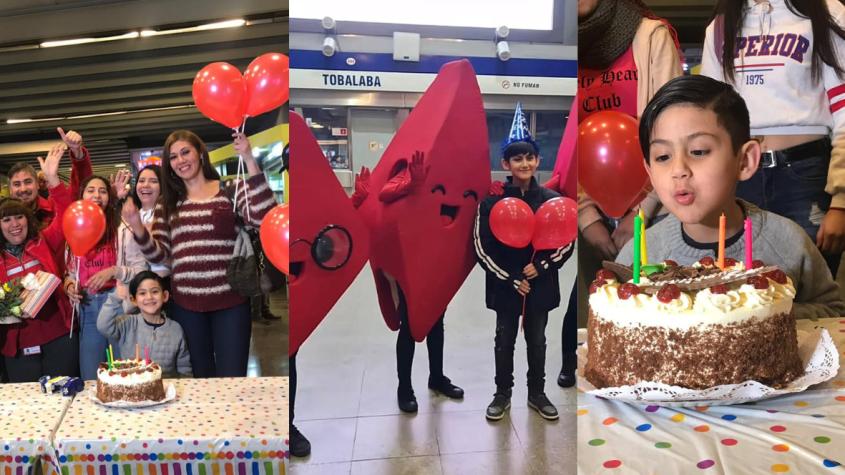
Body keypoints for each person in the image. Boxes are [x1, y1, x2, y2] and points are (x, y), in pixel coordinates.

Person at [616, 75, 845, 318]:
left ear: (744, 161)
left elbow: (833, 310)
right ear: (650, 172)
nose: (679, 169)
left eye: (698, 151)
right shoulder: (640, 254)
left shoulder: (787, 242)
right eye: (663, 156)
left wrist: (766, 313)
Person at [701, 0, 845, 277]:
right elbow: (711, 121)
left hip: (805, 176)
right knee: (743, 293)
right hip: (741, 178)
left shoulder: (826, 12)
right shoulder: (721, 25)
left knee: (811, 293)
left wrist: (841, 200)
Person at [122, 130, 275, 377]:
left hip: (231, 303)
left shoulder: (229, 189)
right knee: (200, 378)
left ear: (200, 153)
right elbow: (161, 256)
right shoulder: (168, 202)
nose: (181, 161)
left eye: (185, 152)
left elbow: (264, 216)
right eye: (173, 157)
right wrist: (137, 226)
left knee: (233, 377)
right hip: (187, 307)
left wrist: (248, 158)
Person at [475, 116, 574, 421]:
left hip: (540, 286)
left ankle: (537, 393)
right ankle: (502, 393)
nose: (524, 163)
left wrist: (542, 266)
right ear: (506, 164)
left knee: (538, 340)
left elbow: (566, 242)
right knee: (504, 340)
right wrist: (511, 278)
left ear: (538, 160)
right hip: (506, 286)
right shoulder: (491, 203)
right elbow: (482, 247)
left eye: (529, 157)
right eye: (517, 158)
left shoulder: (552, 201)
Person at [0, 145, 78, 382]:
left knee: (65, 397)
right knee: (26, 407)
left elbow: (66, 213)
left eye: (19, 217)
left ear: (29, 219)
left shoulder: (44, 241)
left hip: (58, 337)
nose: (14, 224)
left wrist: (54, 180)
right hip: (18, 345)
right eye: (6, 219)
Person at [64, 175, 125, 380]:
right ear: (81, 194)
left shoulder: (120, 227)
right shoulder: (73, 224)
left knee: (123, 372)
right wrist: (70, 285)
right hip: (88, 305)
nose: (97, 195)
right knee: (91, 375)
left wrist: (113, 271)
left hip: (117, 304)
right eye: (91, 190)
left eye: (103, 190)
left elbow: (134, 267)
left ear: (110, 196)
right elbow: (69, 272)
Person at [97, 271, 191, 377]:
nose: (149, 297)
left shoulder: (175, 329)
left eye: (155, 291)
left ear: (165, 296)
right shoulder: (127, 323)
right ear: (133, 300)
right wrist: (115, 297)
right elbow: (103, 325)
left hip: (164, 388)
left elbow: (184, 367)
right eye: (142, 293)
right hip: (131, 387)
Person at [7, 127, 92, 228]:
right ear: (10, 189)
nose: (23, 189)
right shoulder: (3, 216)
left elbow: (82, 187)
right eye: (17, 184)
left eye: (28, 182)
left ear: (38, 184)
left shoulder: (56, 206)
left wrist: (77, 152)